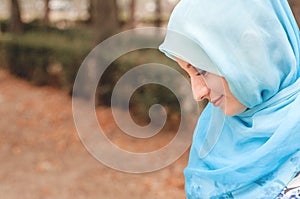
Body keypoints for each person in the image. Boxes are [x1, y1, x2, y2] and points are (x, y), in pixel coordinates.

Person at [159, 0, 300, 198]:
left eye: (201, 71)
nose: (198, 93)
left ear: (251, 49)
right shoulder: (212, 132)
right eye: (188, 74)